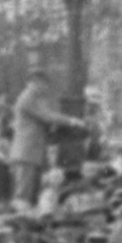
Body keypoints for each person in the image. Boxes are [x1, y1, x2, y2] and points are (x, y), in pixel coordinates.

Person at [9, 71, 87, 207]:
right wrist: (71, 121)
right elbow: (46, 116)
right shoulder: (27, 98)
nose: (46, 88)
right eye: (43, 85)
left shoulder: (35, 99)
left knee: (32, 194)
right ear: (34, 83)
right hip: (26, 153)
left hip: (32, 153)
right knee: (23, 194)